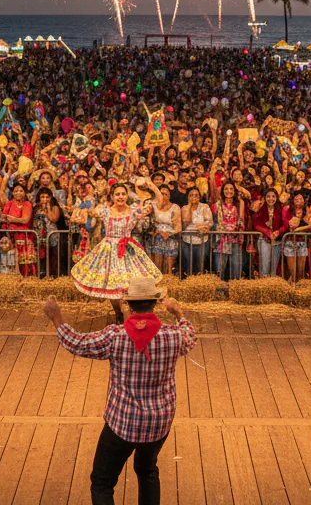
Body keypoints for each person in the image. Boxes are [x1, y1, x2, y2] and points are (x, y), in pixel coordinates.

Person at [43, 277, 196, 505]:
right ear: (155, 304)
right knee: (147, 470)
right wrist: (178, 312)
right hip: (159, 422)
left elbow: (76, 342)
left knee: (102, 482)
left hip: (122, 423)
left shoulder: (115, 336)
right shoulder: (174, 336)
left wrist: (56, 316)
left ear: (128, 305)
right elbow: (190, 334)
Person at [70, 182, 164, 325]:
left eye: (123, 194)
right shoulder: (105, 211)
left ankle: (132, 314)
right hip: (108, 251)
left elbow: (158, 204)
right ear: (112, 197)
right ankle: (118, 312)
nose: (120, 197)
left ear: (127, 196)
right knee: (111, 283)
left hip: (127, 250)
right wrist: (80, 209)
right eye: (117, 194)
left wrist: (152, 187)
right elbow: (88, 211)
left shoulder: (133, 210)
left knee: (131, 284)